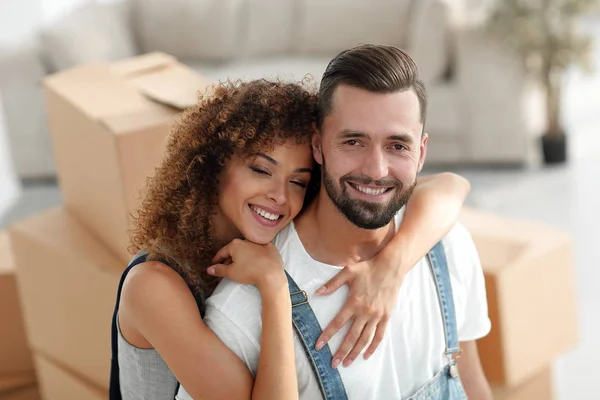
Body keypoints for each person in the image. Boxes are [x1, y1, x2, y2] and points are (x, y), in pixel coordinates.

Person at [110, 77, 472, 399]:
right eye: (261, 170)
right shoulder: (154, 285)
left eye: (297, 181)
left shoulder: (269, 231)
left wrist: (391, 266)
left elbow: (449, 186)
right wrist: (275, 286)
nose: (279, 196)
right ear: (214, 165)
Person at [204, 45, 494, 400]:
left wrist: (393, 264)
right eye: (353, 141)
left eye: (397, 146)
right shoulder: (243, 310)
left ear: (421, 153)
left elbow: (471, 381)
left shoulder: (448, 248)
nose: (376, 170)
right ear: (318, 144)